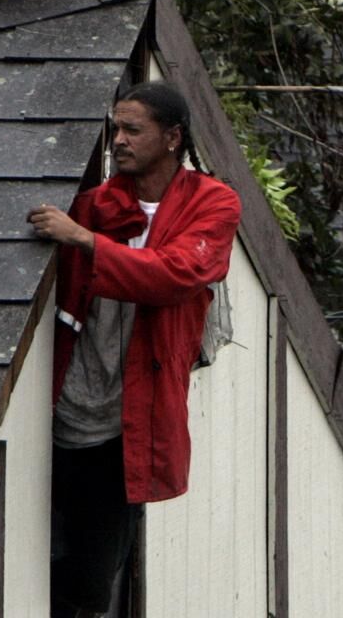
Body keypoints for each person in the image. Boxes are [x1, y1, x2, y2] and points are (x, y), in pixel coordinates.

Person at [27, 81, 241, 618]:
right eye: (115, 128)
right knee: (39, 555)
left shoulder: (213, 203)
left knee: (94, 575)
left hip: (134, 418)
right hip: (64, 408)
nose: (118, 140)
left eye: (132, 130)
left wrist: (85, 240)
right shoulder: (93, 205)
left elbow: (175, 274)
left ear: (172, 138)